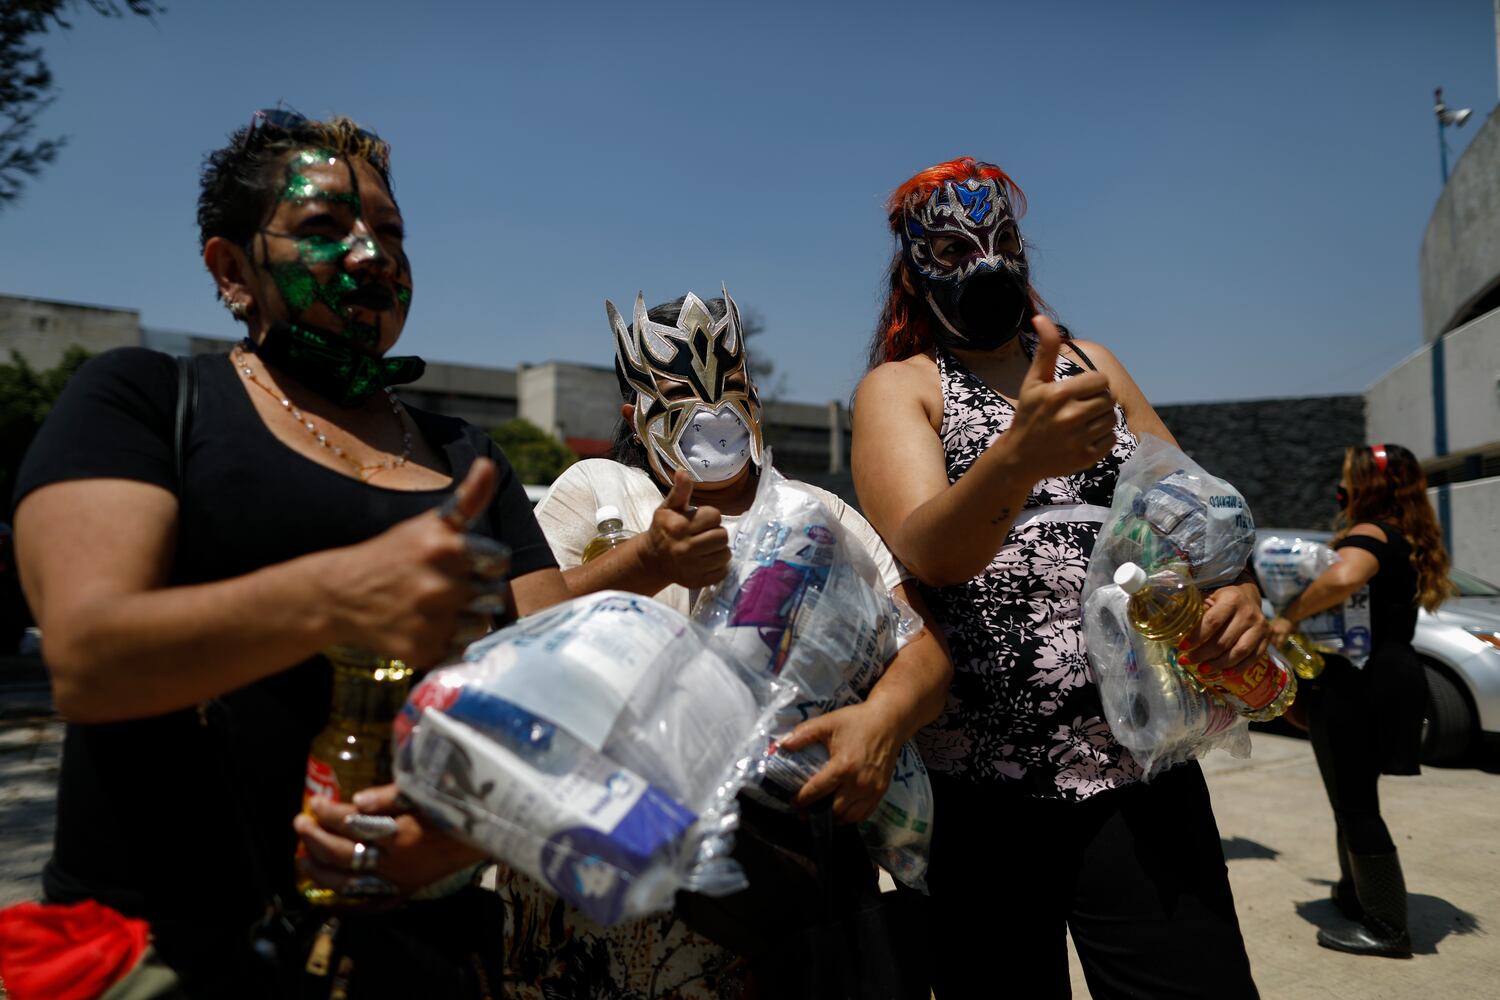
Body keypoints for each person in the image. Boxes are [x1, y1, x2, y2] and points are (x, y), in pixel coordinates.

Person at [11, 110, 569, 996]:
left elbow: (568, 701)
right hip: (168, 957)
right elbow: (89, 658)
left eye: (390, 231)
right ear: (231, 269)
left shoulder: (471, 457)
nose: (373, 254)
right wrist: (342, 596)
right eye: (324, 229)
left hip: (421, 955)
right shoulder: (143, 399)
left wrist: (467, 833)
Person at [851, 157, 1265, 998]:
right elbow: (929, 552)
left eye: (1000, 239)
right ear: (915, 266)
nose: (984, 262)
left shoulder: (1093, 365)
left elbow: (1191, 510)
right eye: (953, 245)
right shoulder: (903, 389)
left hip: (1140, 766)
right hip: (985, 788)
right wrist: (1016, 458)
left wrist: (1238, 587)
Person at [489, 289, 952, 997]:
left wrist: (882, 721)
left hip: (778, 868)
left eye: (730, 389)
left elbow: (923, 650)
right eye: (678, 395)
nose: (712, 413)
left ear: (755, 400)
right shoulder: (597, 491)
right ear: (633, 414)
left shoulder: (816, 514)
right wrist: (647, 564)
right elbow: (520, 627)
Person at [1268, 443, 1448, 958]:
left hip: (1360, 684)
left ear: (1365, 486)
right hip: (1381, 679)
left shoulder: (1370, 534)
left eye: (1346, 479)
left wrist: (1289, 616)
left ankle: (1387, 926)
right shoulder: (1404, 534)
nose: (1339, 489)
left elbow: (1344, 577)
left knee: (1354, 803)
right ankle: (1356, 895)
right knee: (1351, 796)